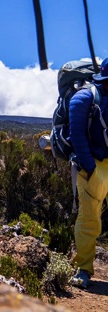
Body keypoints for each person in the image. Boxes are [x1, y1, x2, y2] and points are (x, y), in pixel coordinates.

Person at [69, 57, 108, 289]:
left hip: (97, 165)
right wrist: (91, 169)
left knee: (89, 219)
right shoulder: (84, 98)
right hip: (93, 165)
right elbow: (77, 137)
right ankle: (83, 269)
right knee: (89, 219)